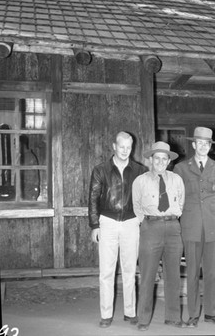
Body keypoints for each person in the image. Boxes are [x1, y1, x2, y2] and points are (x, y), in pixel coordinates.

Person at [88, 131, 147, 328]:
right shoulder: (100, 170)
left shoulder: (139, 170)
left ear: (132, 147)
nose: (125, 150)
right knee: (106, 271)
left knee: (130, 270)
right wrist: (95, 225)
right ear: (114, 146)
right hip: (108, 222)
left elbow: (144, 197)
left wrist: (141, 219)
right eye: (121, 146)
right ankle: (106, 314)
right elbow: (93, 199)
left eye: (128, 147)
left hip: (131, 223)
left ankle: (130, 312)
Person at [173, 127, 215, 327]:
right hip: (190, 226)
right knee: (193, 271)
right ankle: (193, 313)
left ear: (210, 146)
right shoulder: (180, 168)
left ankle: (212, 312)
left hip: (213, 226)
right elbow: (177, 197)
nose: (203, 146)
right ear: (194, 145)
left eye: (207, 143)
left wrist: (210, 213)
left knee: (212, 271)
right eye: (200, 143)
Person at [132, 142, 185, 331]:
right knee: (147, 275)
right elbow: (136, 206)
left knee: (173, 275)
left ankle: (172, 316)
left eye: (164, 158)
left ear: (169, 161)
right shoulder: (140, 181)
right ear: (151, 160)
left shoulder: (177, 179)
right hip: (150, 227)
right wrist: (147, 222)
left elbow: (181, 203)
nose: (160, 162)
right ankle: (143, 318)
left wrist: (171, 219)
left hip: (172, 227)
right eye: (157, 158)